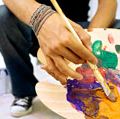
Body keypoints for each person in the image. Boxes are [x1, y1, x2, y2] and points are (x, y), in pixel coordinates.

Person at [0, 0, 117, 117]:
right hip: (35, 28)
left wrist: (89, 40)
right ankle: (23, 91)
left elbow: (108, 4)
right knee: (3, 16)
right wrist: (41, 18)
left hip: (78, 29)